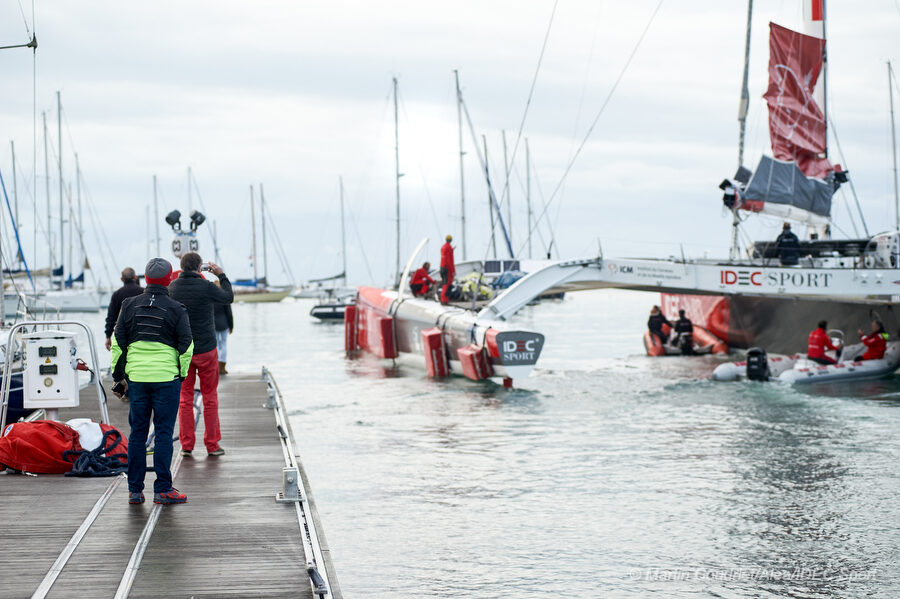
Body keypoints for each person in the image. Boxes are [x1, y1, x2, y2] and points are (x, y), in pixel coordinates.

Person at [111, 258, 193, 505]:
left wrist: (118, 378)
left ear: (145, 278)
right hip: (166, 378)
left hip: (137, 378)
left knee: (137, 433)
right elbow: (186, 347)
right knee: (164, 433)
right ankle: (163, 489)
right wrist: (182, 374)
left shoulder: (128, 305)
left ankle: (135, 491)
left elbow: (118, 344)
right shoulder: (177, 308)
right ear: (169, 280)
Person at [168, 252, 233, 458]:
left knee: (185, 399)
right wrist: (221, 275)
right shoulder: (207, 287)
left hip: (182, 351)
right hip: (206, 350)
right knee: (210, 397)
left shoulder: (172, 288)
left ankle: (186, 445)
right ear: (200, 268)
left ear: (182, 266)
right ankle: (212, 445)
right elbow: (228, 297)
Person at [104, 267, 143, 351]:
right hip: (141, 333)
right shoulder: (143, 292)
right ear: (135, 277)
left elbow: (111, 317)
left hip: (122, 333)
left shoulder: (117, 294)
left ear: (122, 279)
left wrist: (108, 336)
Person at [214, 288, 233, 375]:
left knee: (217, 345)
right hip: (224, 323)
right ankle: (223, 365)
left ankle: (217, 365)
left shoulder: (212, 298)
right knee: (224, 344)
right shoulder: (224, 298)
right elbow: (229, 313)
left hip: (214, 324)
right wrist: (231, 326)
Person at [440, 234, 456, 304]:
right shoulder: (449, 247)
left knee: (444, 283)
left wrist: (452, 250)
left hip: (442, 267)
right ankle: (444, 300)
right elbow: (450, 261)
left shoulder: (443, 247)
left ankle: (443, 299)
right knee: (447, 283)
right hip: (447, 268)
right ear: (451, 240)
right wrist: (453, 271)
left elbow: (445, 257)